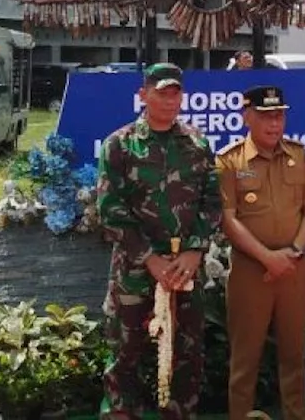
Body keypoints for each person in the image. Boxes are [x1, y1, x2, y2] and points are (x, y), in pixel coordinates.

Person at [96, 63, 222, 419]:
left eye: (175, 93)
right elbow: (110, 210)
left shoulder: (197, 143)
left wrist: (196, 250)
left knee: (187, 353)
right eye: (161, 92)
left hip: (185, 270)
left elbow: (211, 203)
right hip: (136, 270)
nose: (170, 100)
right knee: (126, 353)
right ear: (143, 95)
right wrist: (151, 259)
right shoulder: (120, 145)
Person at [216, 85, 305, 420]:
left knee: (294, 353)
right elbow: (227, 219)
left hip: (293, 266)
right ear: (247, 116)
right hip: (251, 272)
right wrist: (267, 257)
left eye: (279, 115)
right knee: (245, 357)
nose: (275, 123)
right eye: (265, 116)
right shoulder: (229, 161)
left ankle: (296, 414)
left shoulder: (297, 154)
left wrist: (293, 250)